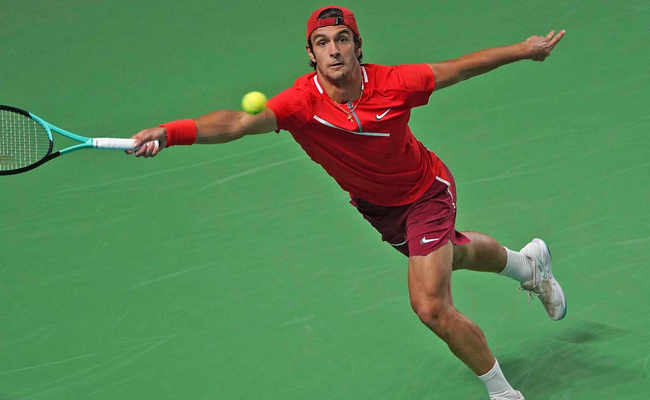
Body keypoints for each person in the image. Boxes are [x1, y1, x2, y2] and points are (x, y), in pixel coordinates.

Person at [128, 6, 567, 399]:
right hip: (380, 209)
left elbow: (460, 69)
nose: (334, 50)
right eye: (322, 43)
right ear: (311, 55)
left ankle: (503, 392)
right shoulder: (300, 104)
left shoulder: (393, 83)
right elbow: (237, 123)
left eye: (342, 39)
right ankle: (528, 266)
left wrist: (524, 50)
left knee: (430, 306)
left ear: (358, 46)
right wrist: (169, 133)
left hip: (426, 193)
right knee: (455, 253)